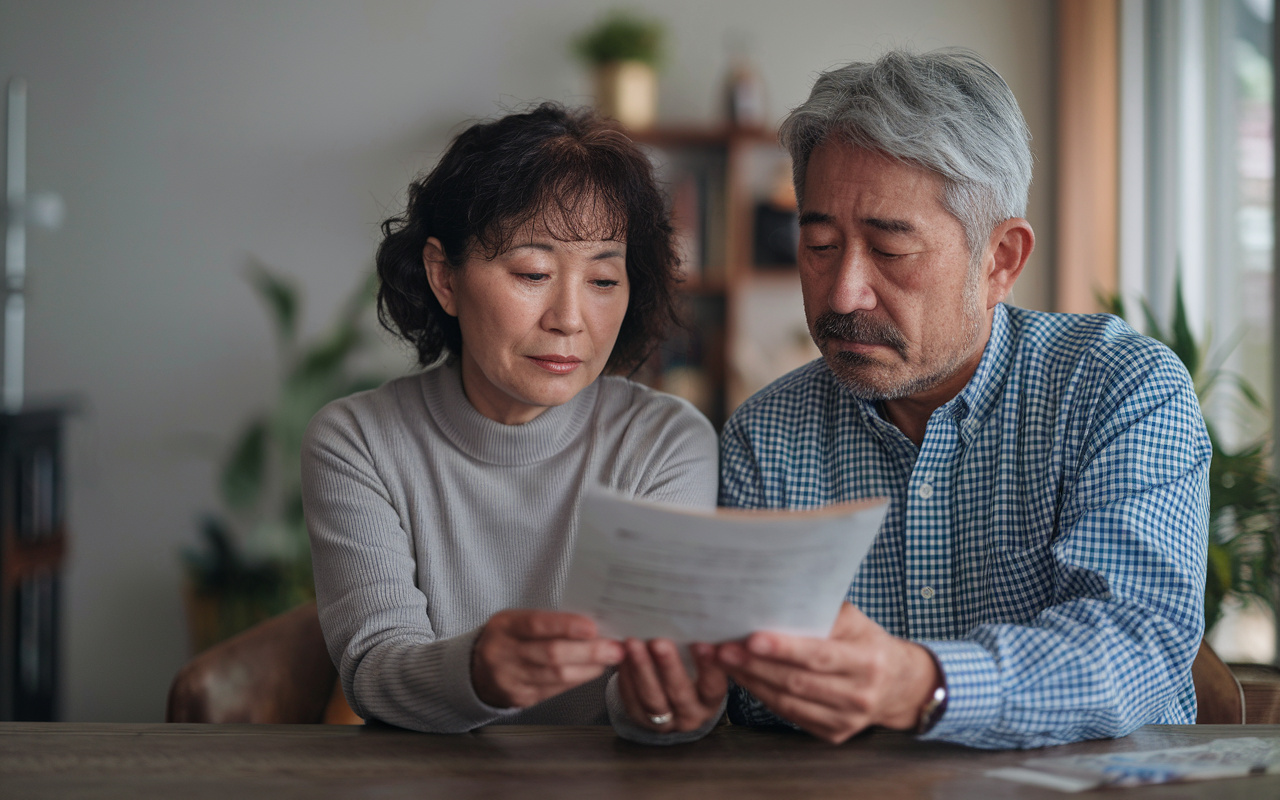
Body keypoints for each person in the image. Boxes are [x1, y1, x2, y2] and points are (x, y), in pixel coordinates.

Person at [713, 50, 1210, 749]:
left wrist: (918, 683)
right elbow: (742, 705)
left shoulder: (1115, 388)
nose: (844, 292)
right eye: (820, 243)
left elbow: (1135, 650)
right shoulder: (766, 437)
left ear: (1000, 261)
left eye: (890, 250)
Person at [302, 103, 727, 741]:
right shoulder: (358, 442)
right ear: (444, 275)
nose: (570, 318)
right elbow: (374, 670)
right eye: (533, 272)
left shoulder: (666, 442)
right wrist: (477, 673)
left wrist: (667, 706)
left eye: (604, 279)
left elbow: (662, 675)